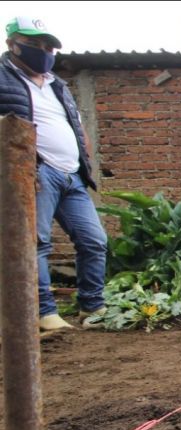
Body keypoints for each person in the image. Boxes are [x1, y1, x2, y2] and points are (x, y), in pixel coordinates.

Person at [1, 16, 107, 332]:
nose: (44, 51)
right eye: (34, 44)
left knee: (94, 241)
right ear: (12, 44)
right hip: (34, 172)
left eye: (48, 46)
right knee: (36, 243)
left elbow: (74, 125)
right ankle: (45, 312)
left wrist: (83, 158)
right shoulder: (2, 79)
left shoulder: (56, 84)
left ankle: (92, 306)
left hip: (71, 174)